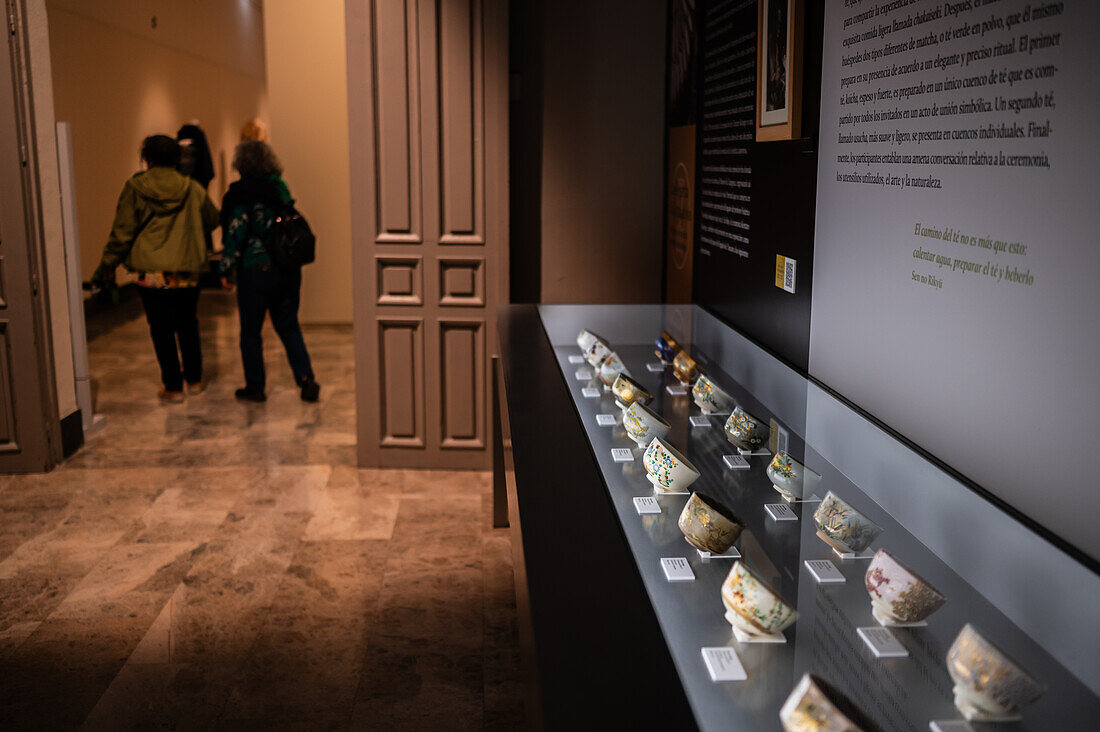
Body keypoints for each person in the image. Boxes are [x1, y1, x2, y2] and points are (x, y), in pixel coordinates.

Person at [94, 135, 219, 402]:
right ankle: (195, 380)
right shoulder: (191, 188)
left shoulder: (136, 188)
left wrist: (107, 265)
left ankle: (173, 386)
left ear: (147, 159)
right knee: (188, 323)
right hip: (187, 271)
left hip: (152, 274)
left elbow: (122, 232)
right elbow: (213, 218)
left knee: (160, 328)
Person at [219, 140, 320, 403]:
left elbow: (236, 235)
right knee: (288, 325)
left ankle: (255, 387)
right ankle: (306, 379)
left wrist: (226, 268)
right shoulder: (280, 190)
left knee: (251, 332)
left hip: (255, 271)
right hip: (286, 268)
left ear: (240, 164)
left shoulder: (241, 195)